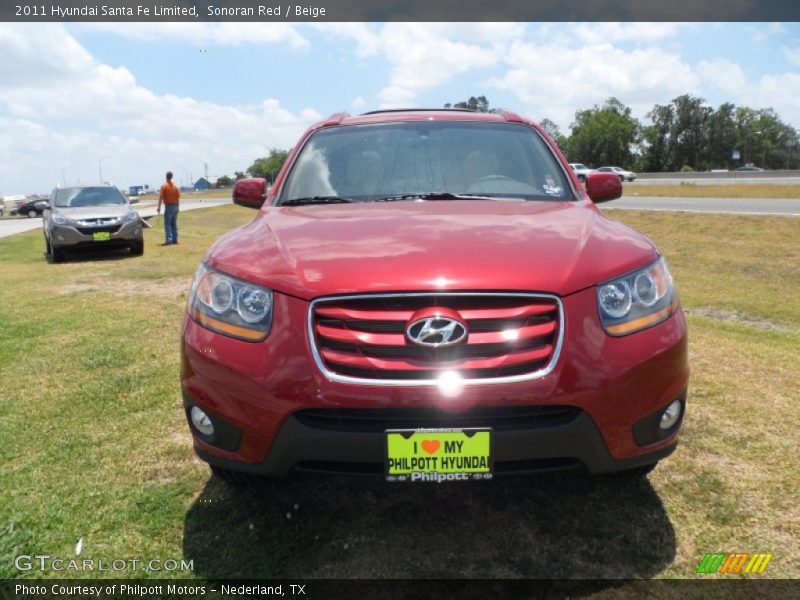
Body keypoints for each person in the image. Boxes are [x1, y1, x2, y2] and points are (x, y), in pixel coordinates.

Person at [157, 171, 181, 245]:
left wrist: (159, 207)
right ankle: (175, 239)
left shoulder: (164, 186)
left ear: (166, 176)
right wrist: (177, 208)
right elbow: (177, 198)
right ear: (172, 177)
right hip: (175, 206)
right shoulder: (175, 187)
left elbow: (161, 197)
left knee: (167, 224)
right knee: (174, 223)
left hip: (169, 206)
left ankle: (169, 240)